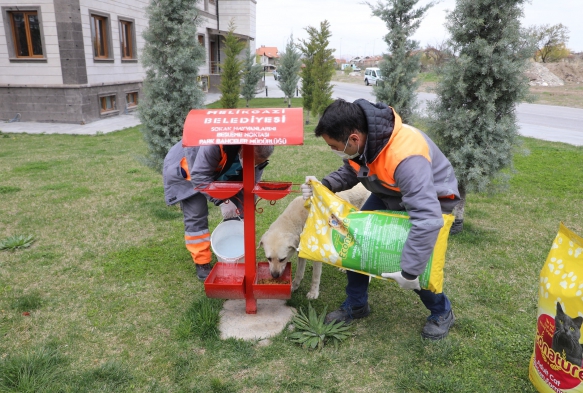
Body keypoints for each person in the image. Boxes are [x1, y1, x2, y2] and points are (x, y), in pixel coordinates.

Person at [301, 98, 460, 340]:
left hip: (433, 201)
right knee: (354, 239)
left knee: (419, 262)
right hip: (391, 192)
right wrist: (325, 185)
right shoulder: (368, 139)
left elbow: (427, 219)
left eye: (335, 146)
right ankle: (356, 304)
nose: (334, 151)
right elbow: (353, 168)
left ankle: (441, 311)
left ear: (354, 138)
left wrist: (410, 271)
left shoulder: (406, 158)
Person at [163, 142, 274, 281]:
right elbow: (199, 178)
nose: (253, 166)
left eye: (256, 164)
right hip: (187, 168)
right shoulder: (213, 144)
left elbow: (250, 184)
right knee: (196, 214)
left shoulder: (259, 148)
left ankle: (244, 253)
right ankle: (201, 262)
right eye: (250, 161)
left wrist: (245, 207)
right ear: (243, 150)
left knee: (245, 206)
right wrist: (223, 201)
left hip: (218, 167)